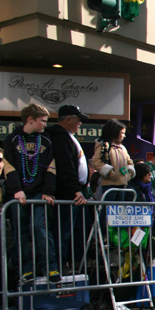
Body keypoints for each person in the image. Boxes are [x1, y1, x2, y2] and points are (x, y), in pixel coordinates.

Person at [1, 103, 61, 283]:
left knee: (39, 228)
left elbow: (51, 167)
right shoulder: (12, 139)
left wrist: (48, 191)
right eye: (42, 121)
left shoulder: (46, 140)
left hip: (39, 194)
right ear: (30, 119)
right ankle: (25, 269)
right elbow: (8, 167)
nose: (45, 124)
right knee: (20, 231)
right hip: (18, 194)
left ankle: (50, 267)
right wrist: (17, 190)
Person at [48, 104, 90, 273]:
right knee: (63, 231)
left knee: (73, 230)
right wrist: (75, 189)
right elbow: (65, 166)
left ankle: (68, 262)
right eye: (78, 119)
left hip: (75, 191)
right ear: (68, 119)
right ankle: (60, 264)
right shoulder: (59, 137)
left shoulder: (67, 136)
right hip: (68, 193)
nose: (80, 123)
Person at [91, 119, 134, 200]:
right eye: (122, 133)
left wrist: (127, 174)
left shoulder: (122, 148)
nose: (124, 136)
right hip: (109, 185)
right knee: (108, 210)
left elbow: (129, 162)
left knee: (119, 210)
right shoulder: (104, 145)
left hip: (122, 185)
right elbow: (96, 161)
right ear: (115, 132)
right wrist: (110, 173)